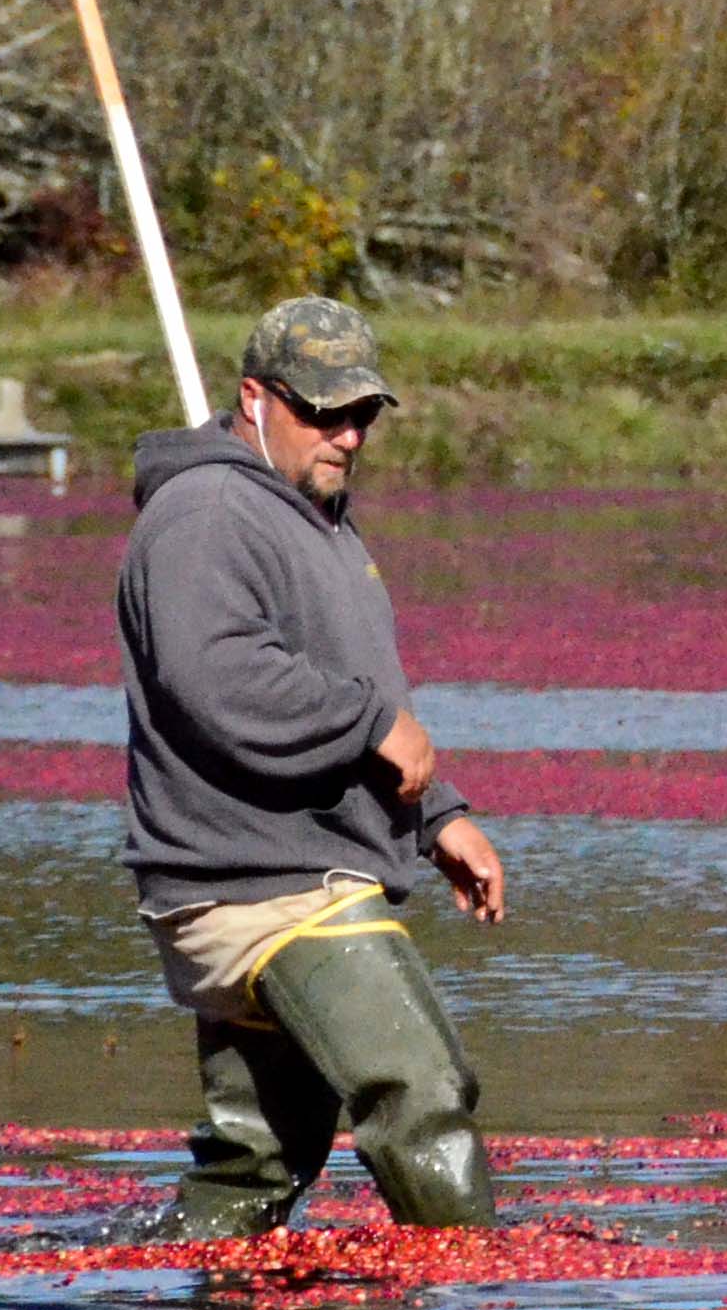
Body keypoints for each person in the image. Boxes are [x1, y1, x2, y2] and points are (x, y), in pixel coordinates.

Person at [119, 297, 508, 1237]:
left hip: (295, 868)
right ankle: (478, 1297)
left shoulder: (317, 520)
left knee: (257, 1165)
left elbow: (349, 686)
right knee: (421, 1090)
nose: (346, 435)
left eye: (361, 413)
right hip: (263, 883)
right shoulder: (207, 513)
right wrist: (376, 722)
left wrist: (434, 816)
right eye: (320, 411)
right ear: (255, 398)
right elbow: (219, 679)